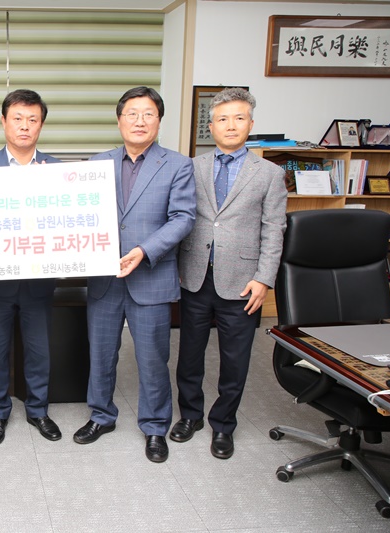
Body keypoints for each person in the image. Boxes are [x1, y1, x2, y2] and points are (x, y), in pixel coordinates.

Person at [73, 86, 196, 464]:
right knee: (100, 354)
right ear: (119, 120)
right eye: (132, 113)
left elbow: (183, 218)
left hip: (151, 277)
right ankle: (101, 415)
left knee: (153, 359)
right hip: (105, 279)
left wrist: (144, 251)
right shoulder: (97, 163)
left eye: (148, 114)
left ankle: (155, 426)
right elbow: (77, 212)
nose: (139, 121)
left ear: (159, 121)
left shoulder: (178, 165)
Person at [171, 87, 287, 459]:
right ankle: (190, 416)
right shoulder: (191, 167)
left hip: (243, 282)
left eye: (239, 118)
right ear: (212, 126)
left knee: (234, 360)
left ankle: (223, 425)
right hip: (194, 275)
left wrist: (264, 278)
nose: (231, 125)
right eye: (222, 119)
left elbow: (274, 229)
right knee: (189, 355)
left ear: (251, 123)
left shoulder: (270, 174)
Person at [0, 89, 62, 445]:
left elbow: (64, 225)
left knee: (39, 350)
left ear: (41, 125)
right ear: (4, 121)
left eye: (32, 119)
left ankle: (38, 411)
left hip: (39, 280)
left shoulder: (57, 170)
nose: (25, 126)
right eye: (18, 119)